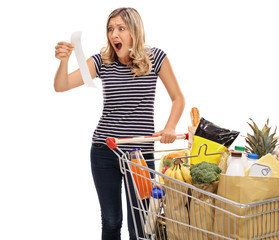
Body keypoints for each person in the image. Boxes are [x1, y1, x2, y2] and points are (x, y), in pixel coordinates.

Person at [54, 7, 185, 240]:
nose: (114, 34)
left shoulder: (156, 58)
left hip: (140, 155)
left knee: (141, 225)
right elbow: (61, 85)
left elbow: (178, 98)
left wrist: (170, 127)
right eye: (110, 29)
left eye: (121, 28)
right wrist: (63, 62)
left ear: (135, 31)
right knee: (111, 221)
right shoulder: (101, 61)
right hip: (105, 151)